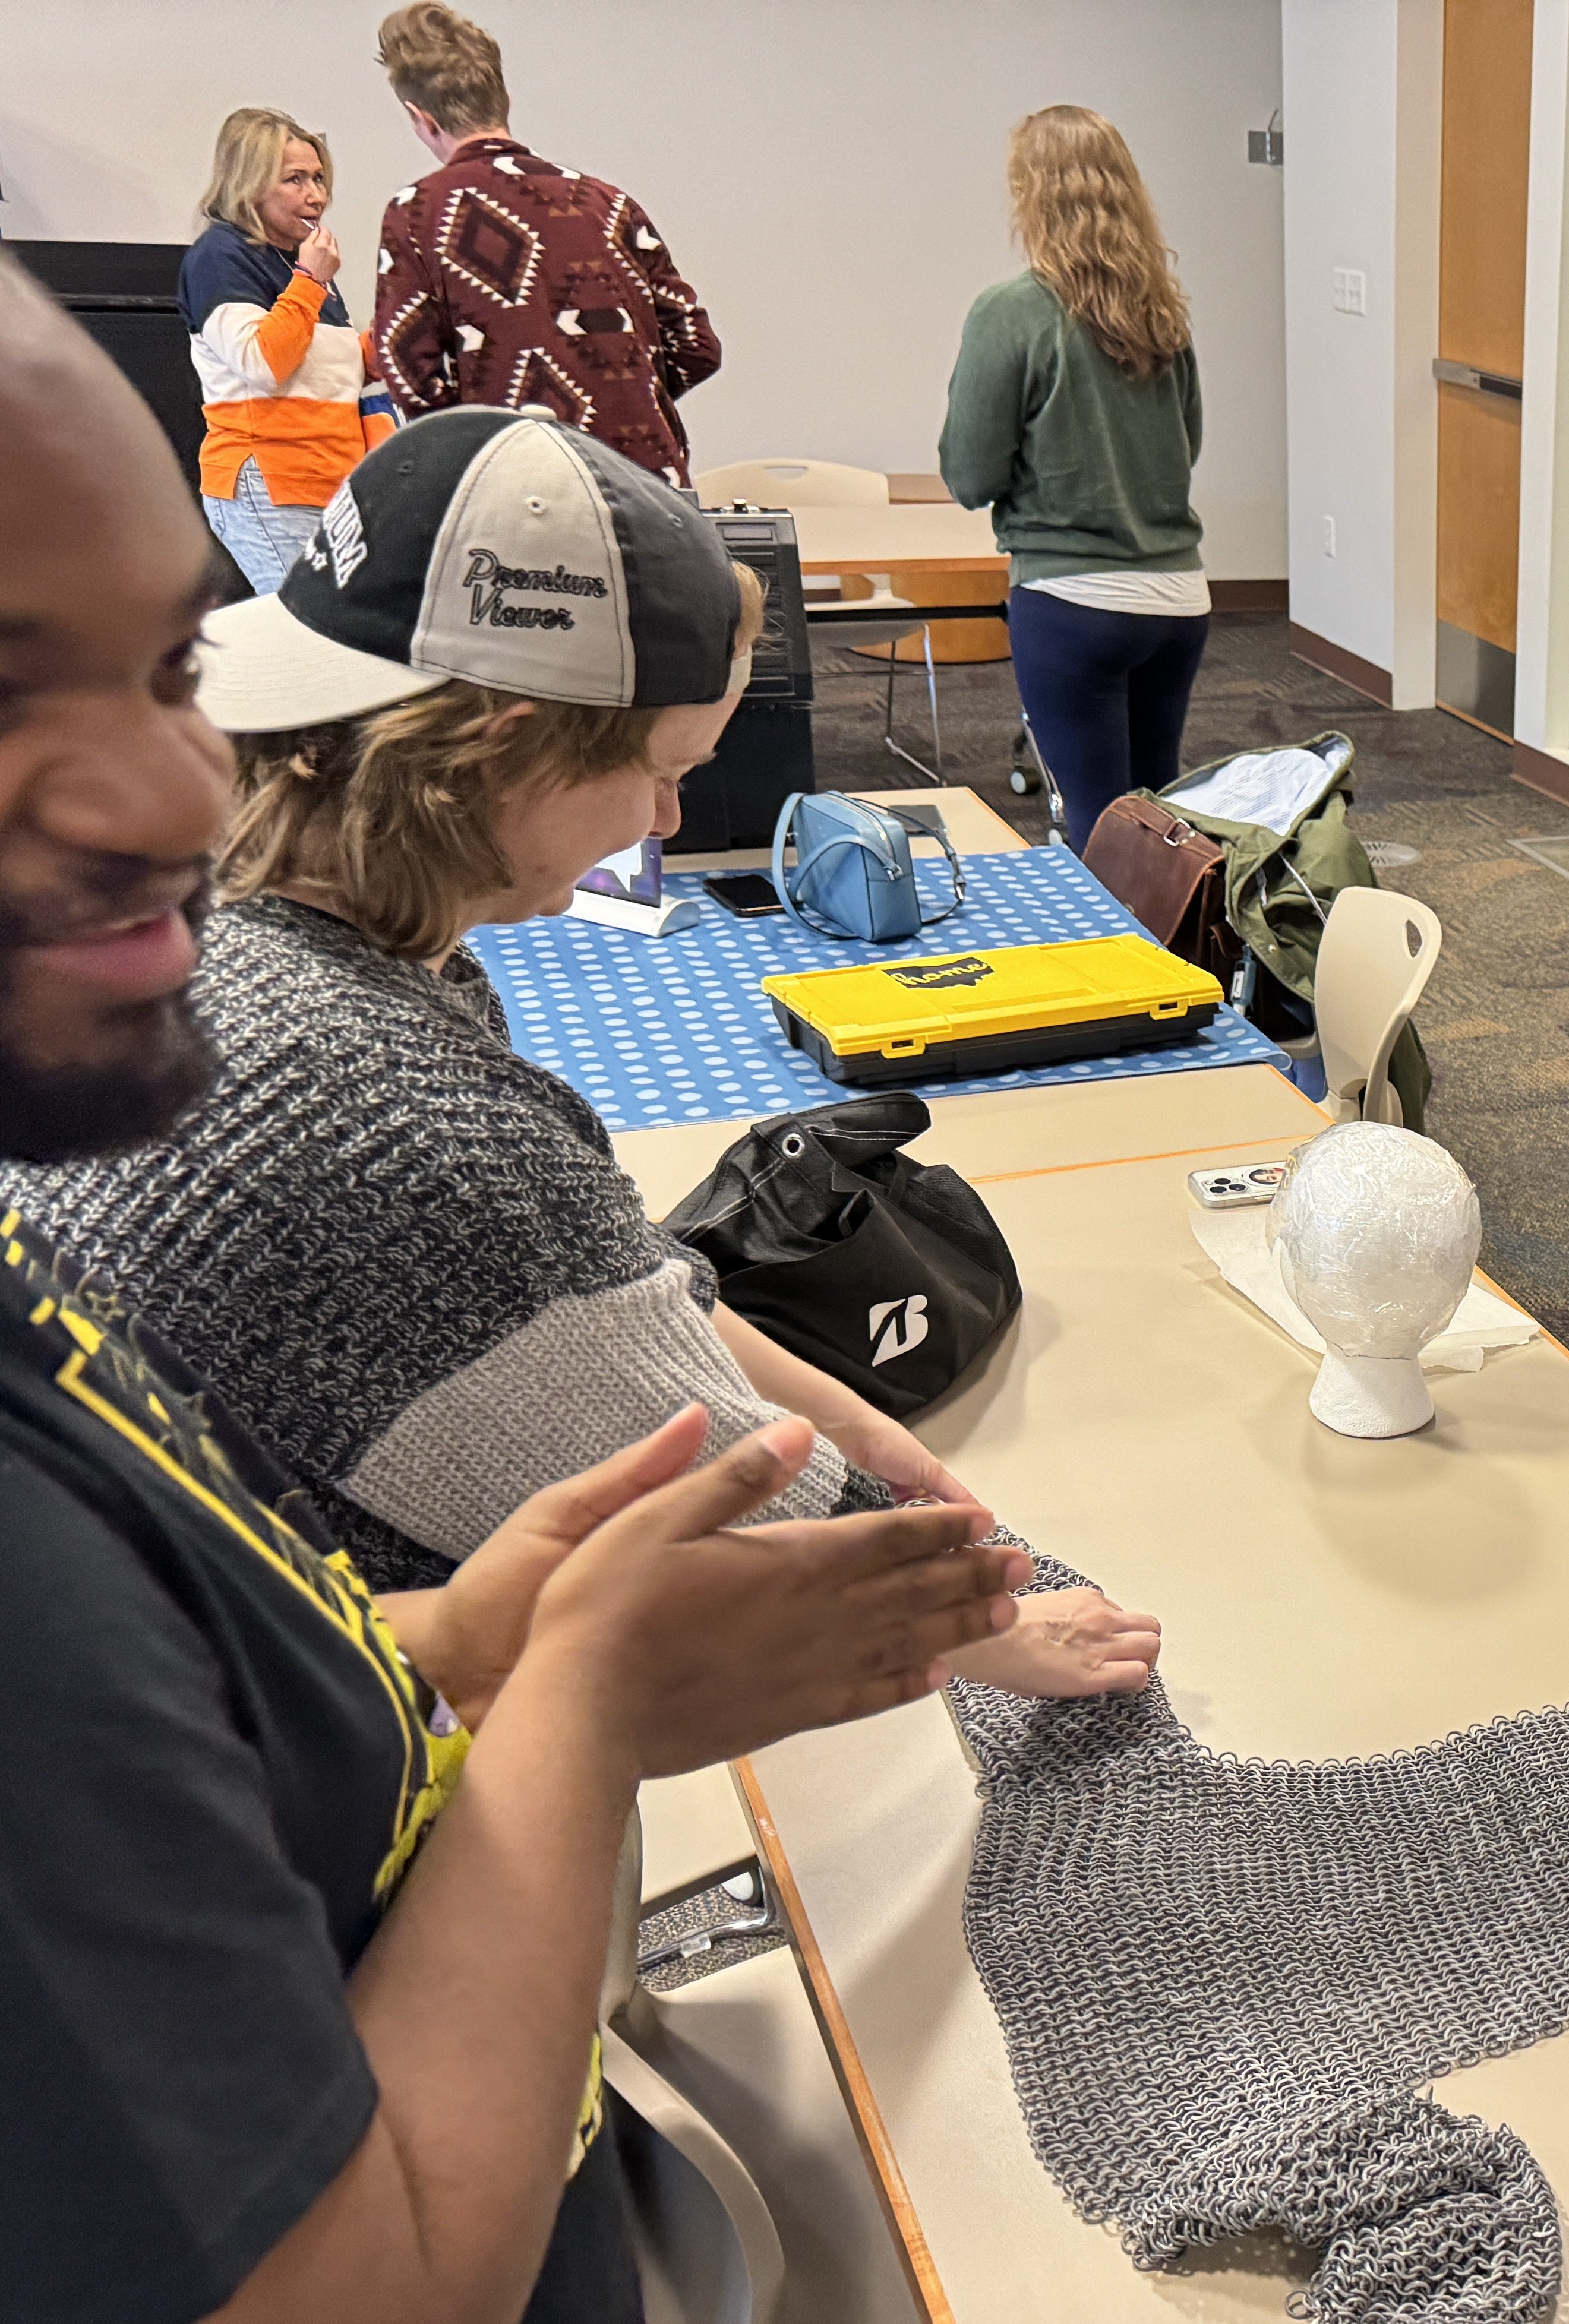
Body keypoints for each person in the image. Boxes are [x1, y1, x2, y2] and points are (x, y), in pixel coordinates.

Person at [0, 246, 1032, 2323]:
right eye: (21, 690)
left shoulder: (316, 995)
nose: (187, 789)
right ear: (478, 743)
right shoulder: (368, 1121)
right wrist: (573, 1694)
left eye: (170, 672)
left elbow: (195, 1663)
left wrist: (448, 1635)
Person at [5, 404, 1158, 1703]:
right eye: (665, 772)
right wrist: (995, 1631)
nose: (668, 819)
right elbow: (710, 1501)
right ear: (503, 746)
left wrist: (856, 1426)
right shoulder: (392, 1126)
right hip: (320, 1766)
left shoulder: (266, 931)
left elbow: (614, 1298)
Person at [942, 105, 1210, 850]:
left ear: (1030, 195)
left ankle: (1118, 963)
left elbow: (969, 473)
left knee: (1095, 818)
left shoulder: (1011, 312)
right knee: (1159, 820)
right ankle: (1178, 958)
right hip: (1179, 598)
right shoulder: (1163, 314)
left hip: (1072, 600)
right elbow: (1184, 449)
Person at [368, 4, 721, 488]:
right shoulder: (610, 204)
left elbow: (411, 375)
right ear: (505, 100)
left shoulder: (416, 213)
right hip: (650, 488)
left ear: (421, 118)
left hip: (520, 491)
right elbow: (697, 346)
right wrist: (619, 406)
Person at [182, 107, 392, 593]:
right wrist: (311, 279)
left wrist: (396, 331)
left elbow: (333, 372)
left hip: (331, 480)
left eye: (319, 178)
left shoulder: (303, 265)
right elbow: (263, 363)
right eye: (295, 179)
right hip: (271, 481)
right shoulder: (221, 256)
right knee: (299, 634)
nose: (316, 195)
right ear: (249, 184)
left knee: (333, 635)